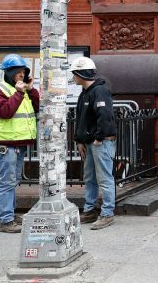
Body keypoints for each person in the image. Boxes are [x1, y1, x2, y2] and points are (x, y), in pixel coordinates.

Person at [0, 54, 39, 233]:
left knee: (13, 180)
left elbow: (37, 107)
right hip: (5, 143)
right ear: (8, 72)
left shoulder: (22, 90)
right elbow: (5, 112)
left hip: (19, 143)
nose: (21, 75)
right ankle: (5, 220)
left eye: (23, 71)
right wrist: (19, 92)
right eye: (18, 72)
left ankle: (8, 213)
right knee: (7, 181)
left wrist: (30, 90)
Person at [70, 56, 117, 230]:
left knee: (104, 179)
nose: (73, 77)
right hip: (91, 142)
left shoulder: (99, 91)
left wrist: (98, 137)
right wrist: (79, 140)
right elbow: (81, 119)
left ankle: (107, 214)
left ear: (80, 74)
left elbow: (104, 116)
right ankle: (89, 211)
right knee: (90, 178)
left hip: (100, 143)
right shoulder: (85, 93)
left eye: (74, 74)